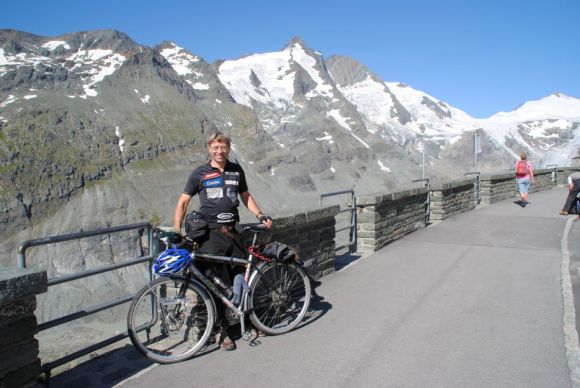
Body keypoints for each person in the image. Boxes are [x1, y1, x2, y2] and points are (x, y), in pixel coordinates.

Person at [173, 131, 272, 351]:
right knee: (214, 284)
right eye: (216, 147)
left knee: (240, 279)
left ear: (228, 148)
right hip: (210, 236)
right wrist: (176, 231)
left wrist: (260, 215)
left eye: (224, 147)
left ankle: (251, 321)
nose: (220, 151)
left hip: (234, 234)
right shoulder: (199, 173)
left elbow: (245, 195)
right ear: (209, 148)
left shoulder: (236, 170)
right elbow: (183, 202)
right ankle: (222, 331)